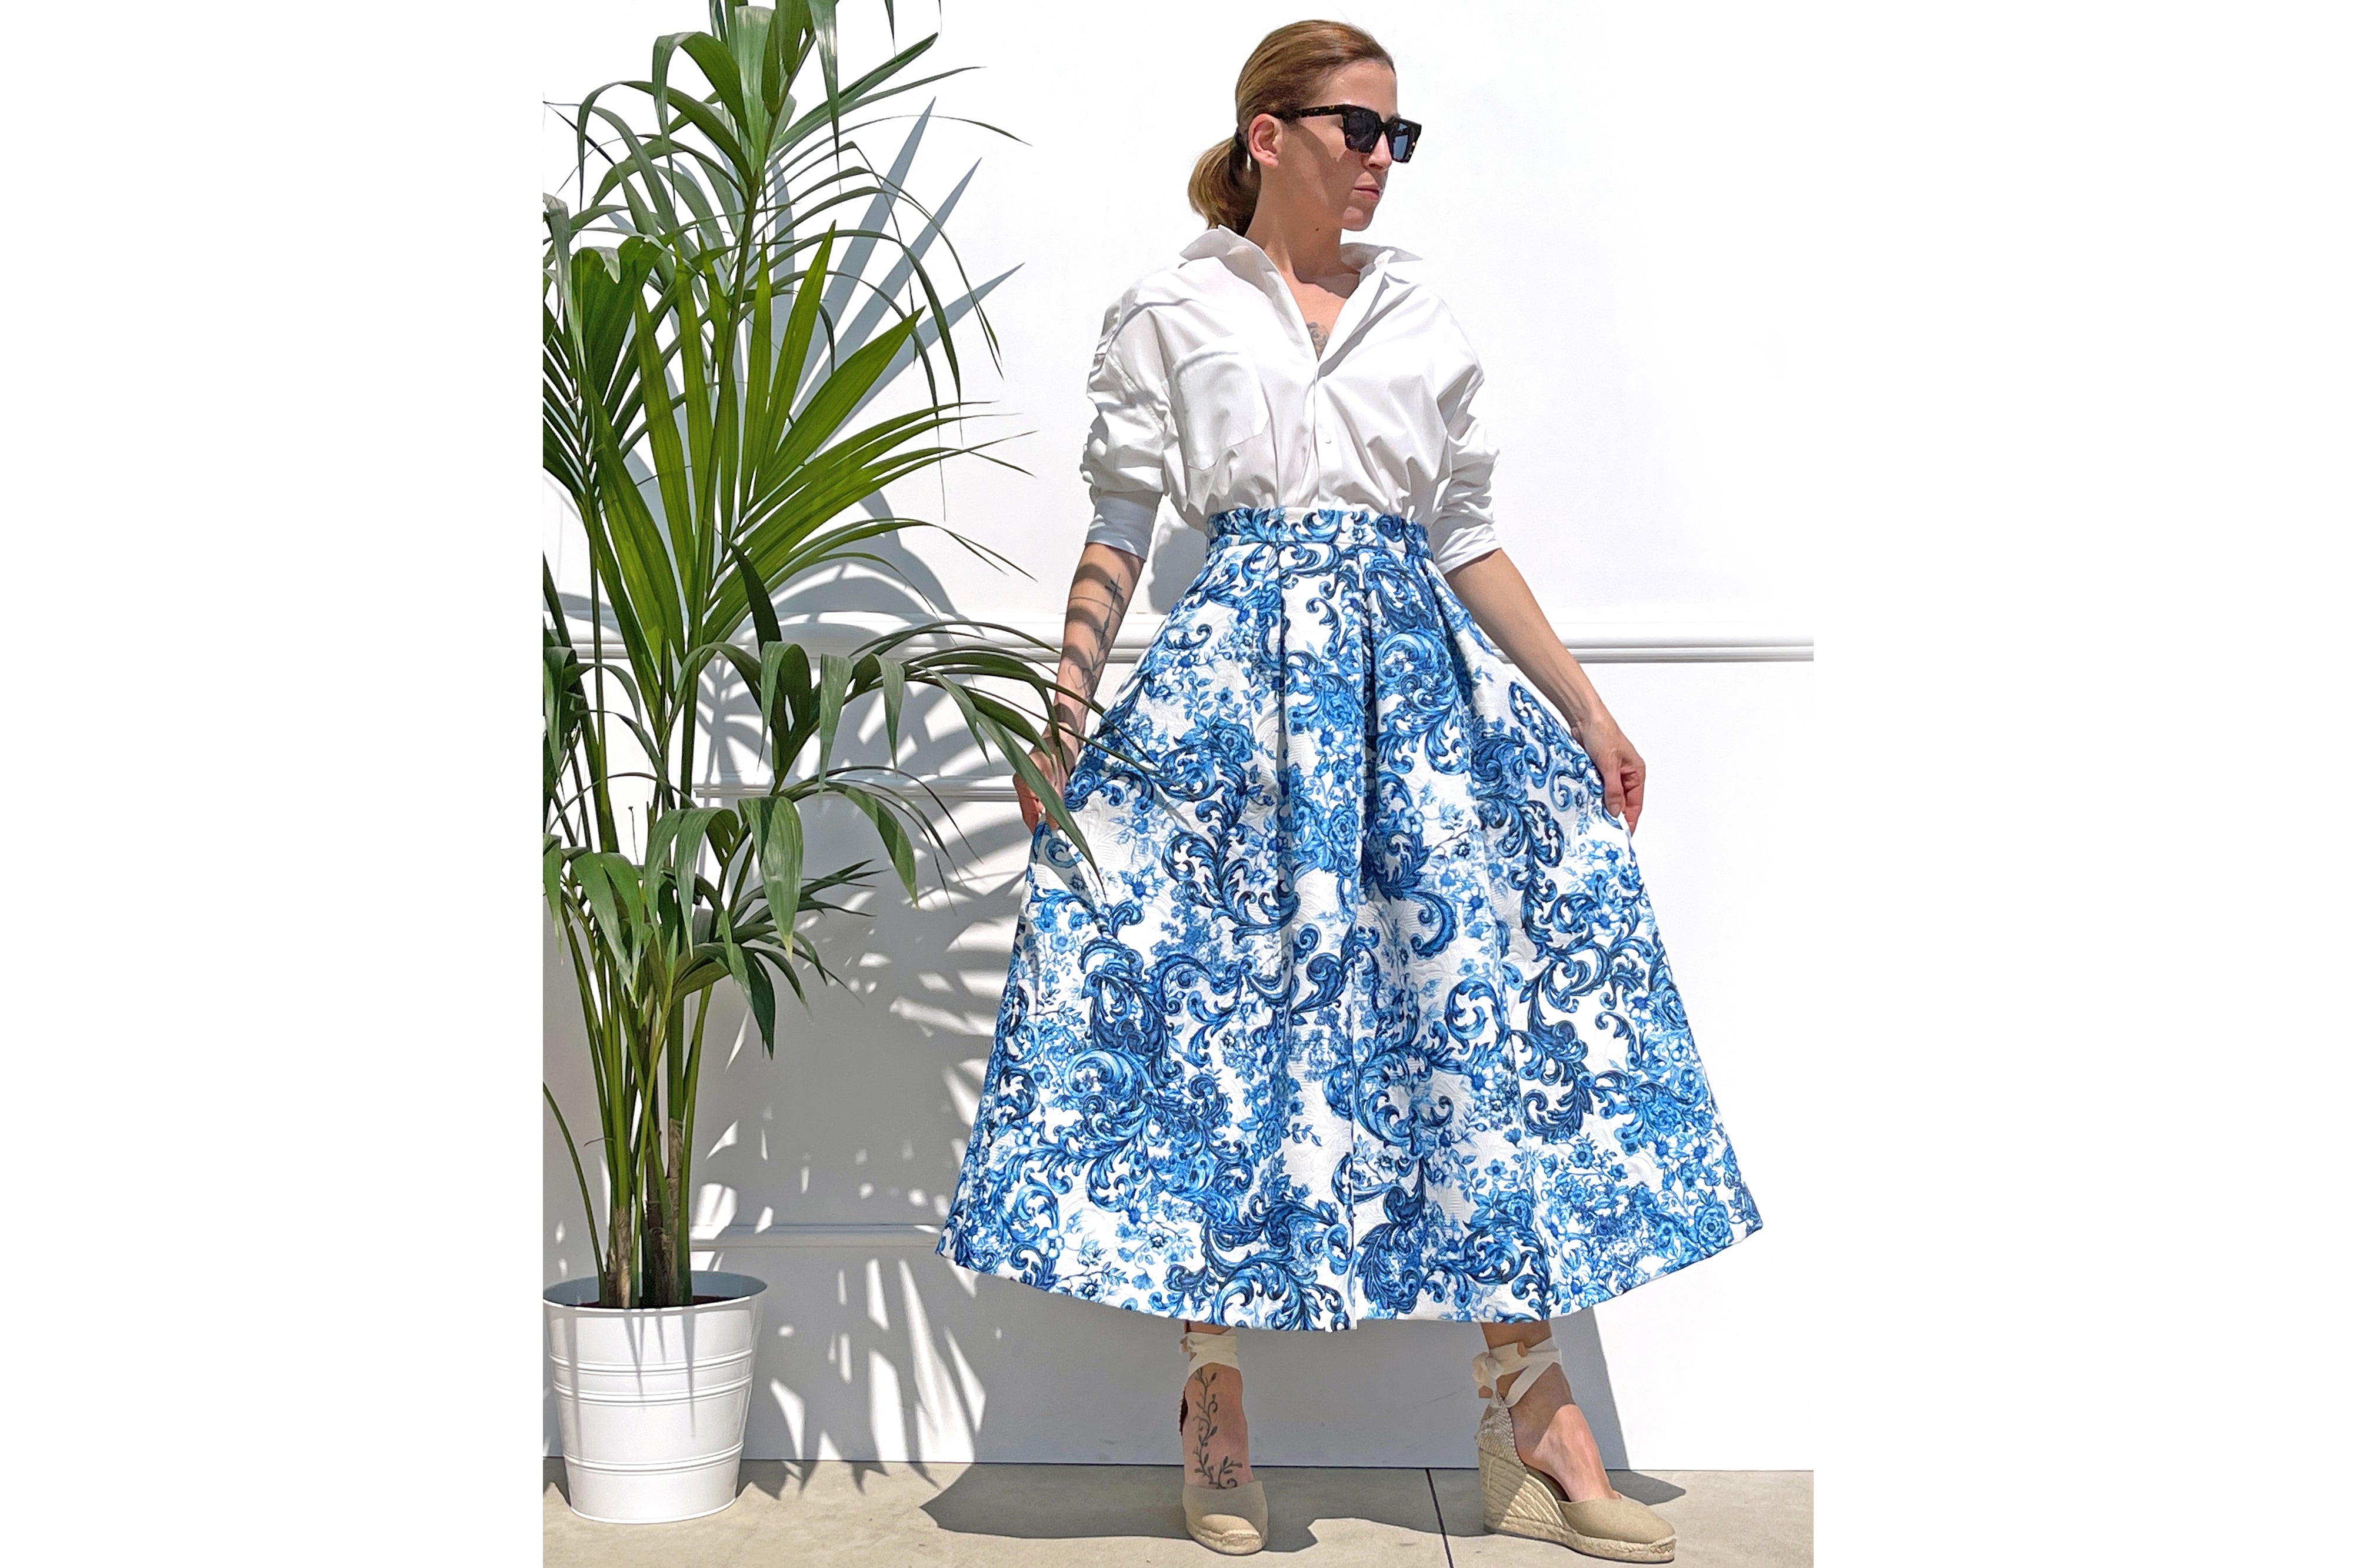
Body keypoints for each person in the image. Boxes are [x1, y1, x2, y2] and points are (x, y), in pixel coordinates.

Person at [936, 19, 1762, 1562]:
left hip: (1414, 710)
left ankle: (1530, 1412)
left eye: (1399, 136)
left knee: (1468, 1021)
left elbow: (1464, 533)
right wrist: (1063, 713)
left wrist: (1586, 707)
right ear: (1270, 134)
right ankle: (1215, 1394)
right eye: (1359, 130)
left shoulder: (1419, 311)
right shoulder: (1172, 309)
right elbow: (1121, 523)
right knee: (1213, 1028)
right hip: (1234, 712)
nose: (1384, 159)